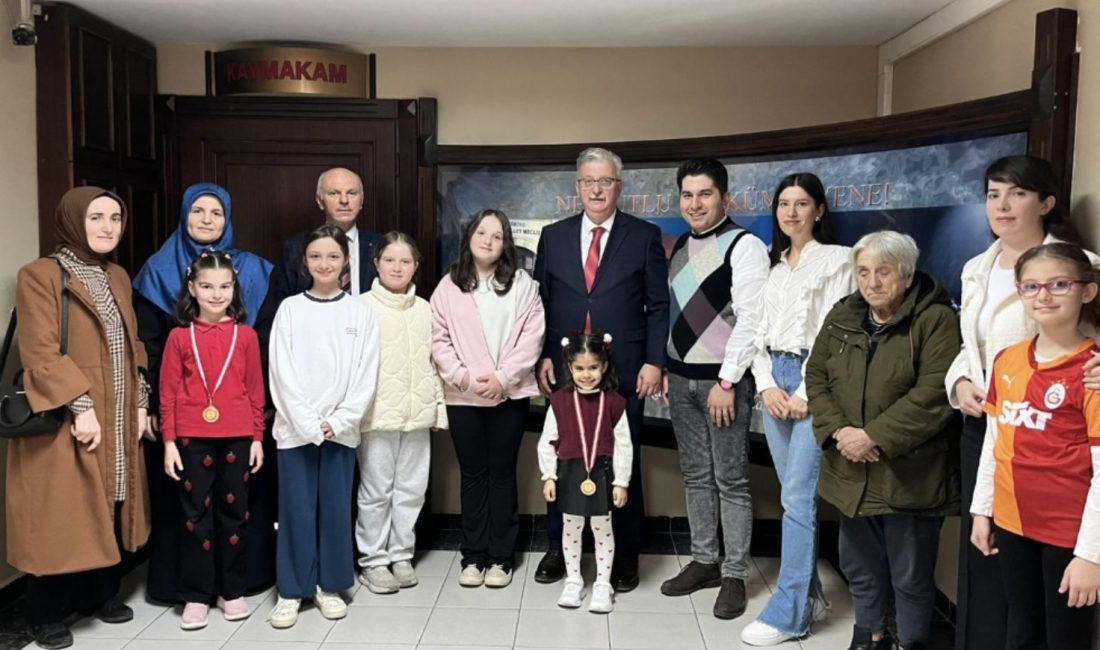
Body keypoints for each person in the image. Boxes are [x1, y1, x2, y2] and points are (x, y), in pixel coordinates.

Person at [945, 155, 1100, 650]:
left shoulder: (1079, 265)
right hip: (993, 428)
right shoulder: (978, 267)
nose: (1003, 205)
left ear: (1047, 203)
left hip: (1062, 440)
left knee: (1056, 610)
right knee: (994, 570)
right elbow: (971, 345)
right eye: (993, 194)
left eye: (1016, 193)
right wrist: (961, 382)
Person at [11, 187, 152, 649]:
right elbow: (40, 351)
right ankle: (43, 611)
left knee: (109, 499)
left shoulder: (117, 276)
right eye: (97, 217)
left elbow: (132, 347)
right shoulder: (40, 275)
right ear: (74, 219)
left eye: (116, 217)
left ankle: (99, 594)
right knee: (61, 511)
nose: (108, 226)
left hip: (118, 408)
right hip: (74, 410)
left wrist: (140, 403)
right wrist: (81, 407)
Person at [805, 231, 961, 650]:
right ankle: (868, 633)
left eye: (883, 272)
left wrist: (873, 435)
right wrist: (840, 432)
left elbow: (934, 393)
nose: (872, 282)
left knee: (910, 573)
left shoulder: (936, 320)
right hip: (850, 469)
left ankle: (910, 641)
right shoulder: (843, 315)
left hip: (910, 474)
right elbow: (816, 376)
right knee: (859, 564)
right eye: (864, 272)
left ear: (907, 276)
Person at [533, 147, 669, 591]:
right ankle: (558, 549)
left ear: (619, 187)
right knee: (564, 457)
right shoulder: (553, 236)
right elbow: (541, 304)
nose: (596, 189)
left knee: (620, 461)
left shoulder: (644, 235)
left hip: (624, 371)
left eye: (605, 181)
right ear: (577, 187)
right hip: (567, 372)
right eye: (588, 181)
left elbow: (657, 304)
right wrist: (543, 355)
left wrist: (653, 360)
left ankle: (625, 556)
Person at [132, 182, 274, 604]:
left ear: (228, 218)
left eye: (216, 212)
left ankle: (238, 586)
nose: (207, 220)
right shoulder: (158, 269)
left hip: (237, 416)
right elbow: (151, 345)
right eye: (198, 211)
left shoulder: (255, 269)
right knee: (188, 508)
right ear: (184, 216)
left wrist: (256, 416)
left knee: (237, 505)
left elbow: (259, 348)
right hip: (184, 414)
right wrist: (159, 408)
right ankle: (190, 590)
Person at [741, 172, 852, 645]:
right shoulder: (774, 266)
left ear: (819, 211)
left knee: (798, 501)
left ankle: (790, 614)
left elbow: (834, 333)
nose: (791, 212)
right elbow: (755, 334)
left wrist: (807, 393)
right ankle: (811, 597)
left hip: (816, 381)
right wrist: (765, 386)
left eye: (802, 203)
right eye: (784, 204)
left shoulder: (839, 261)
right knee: (793, 495)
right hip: (773, 382)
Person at [971, 243, 1100, 650]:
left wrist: (1091, 555)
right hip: (1012, 522)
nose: (1043, 295)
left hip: (1069, 534)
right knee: (1021, 629)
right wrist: (981, 510)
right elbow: (995, 442)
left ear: (1087, 291)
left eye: (1059, 284)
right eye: (1031, 286)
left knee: (1065, 637)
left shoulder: (1093, 372)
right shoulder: (1007, 360)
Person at [658, 158, 768, 620]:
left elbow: (751, 320)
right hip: (680, 380)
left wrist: (727, 380)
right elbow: (677, 313)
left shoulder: (743, 246)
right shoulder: (682, 243)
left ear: (725, 196)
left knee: (732, 481)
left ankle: (735, 574)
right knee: (696, 476)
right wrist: (666, 367)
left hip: (722, 386)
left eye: (705, 194)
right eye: (688, 194)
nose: (695, 203)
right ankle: (704, 560)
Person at [267, 225, 380, 628]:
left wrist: (338, 420)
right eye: (316, 256)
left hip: (341, 430)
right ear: (305, 262)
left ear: (345, 261)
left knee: (334, 510)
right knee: (296, 510)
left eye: (333, 256)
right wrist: (309, 422)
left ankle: (329, 586)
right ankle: (291, 590)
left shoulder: (359, 312)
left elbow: (365, 374)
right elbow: (281, 372)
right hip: (295, 430)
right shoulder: (290, 310)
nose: (325, 263)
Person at [431, 209, 545, 588]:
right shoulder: (448, 286)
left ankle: (500, 558)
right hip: (462, 397)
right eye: (482, 232)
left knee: (502, 474)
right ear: (469, 237)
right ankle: (473, 556)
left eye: (497, 236)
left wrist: (502, 378)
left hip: (508, 395)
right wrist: (463, 378)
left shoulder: (523, 285)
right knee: (472, 474)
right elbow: (438, 339)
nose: (488, 240)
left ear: (506, 244)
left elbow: (532, 338)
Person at [158, 250, 266, 630]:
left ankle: (232, 591)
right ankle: (196, 595)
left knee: (235, 516)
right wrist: (169, 441)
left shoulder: (247, 336)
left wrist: (257, 437)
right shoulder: (179, 337)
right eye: (207, 286)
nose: (216, 295)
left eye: (224, 286)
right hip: (192, 438)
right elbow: (168, 393)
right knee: (194, 519)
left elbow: (256, 390)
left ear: (234, 288)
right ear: (192, 288)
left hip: (237, 437)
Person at [355, 232, 447, 594]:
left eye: (405, 261)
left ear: (416, 267)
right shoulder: (360, 307)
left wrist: (438, 409)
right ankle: (373, 560)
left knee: (411, 489)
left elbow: (435, 364)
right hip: (375, 417)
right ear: (376, 263)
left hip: (417, 414)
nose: (397, 267)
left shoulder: (426, 310)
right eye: (390, 260)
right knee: (376, 490)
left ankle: (401, 554)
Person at [537, 333, 632, 614]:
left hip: (601, 472)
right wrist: (548, 476)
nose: (586, 375)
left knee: (603, 530)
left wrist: (621, 481)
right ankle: (574, 579)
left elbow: (624, 445)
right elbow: (547, 440)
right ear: (569, 368)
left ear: (603, 367)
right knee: (572, 529)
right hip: (569, 471)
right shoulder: (559, 401)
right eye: (579, 368)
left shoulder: (614, 402)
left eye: (592, 368)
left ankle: (603, 584)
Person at [269, 167, 378, 307]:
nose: (344, 200)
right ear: (320, 201)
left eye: (352, 193)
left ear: (361, 201)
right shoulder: (295, 247)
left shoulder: (380, 246)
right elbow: (281, 304)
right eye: (334, 193)